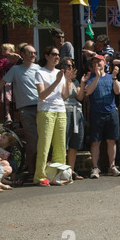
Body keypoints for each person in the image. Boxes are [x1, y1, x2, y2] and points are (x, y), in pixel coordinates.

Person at [0, 44, 39, 181]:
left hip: (42, 108)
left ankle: (41, 170)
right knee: (33, 141)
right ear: (23, 54)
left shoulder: (39, 69)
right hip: (26, 110)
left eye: (34, 53)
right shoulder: (15, 69)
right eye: (30, 53)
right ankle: (32, 171)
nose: (33, 55)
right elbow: (1, 85)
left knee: (43, 141)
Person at [34, 46, 72, 187]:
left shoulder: (59, 73)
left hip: (60, 110)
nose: (57, 57)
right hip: (46, 111)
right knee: (44, 145)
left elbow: (64, 96)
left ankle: (57, 174)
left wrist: (67, 81)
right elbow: (42, 95)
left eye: (58, 55)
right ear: (47, 56)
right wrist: (57, 81)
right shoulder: (40, 72)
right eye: (54, 54)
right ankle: (40, 176)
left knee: (60, 145)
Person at [63, 57, 86, 180]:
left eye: (72, 66)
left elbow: (80, 97)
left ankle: (71, 170)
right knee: (64, 142)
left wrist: (82, 83)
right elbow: (64, 95)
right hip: (65, 112)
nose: (70, 68)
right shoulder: (60, 80)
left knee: (74, 143)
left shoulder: (75, 82)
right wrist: (67, 80)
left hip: (77, 112)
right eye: (68, 66)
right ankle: (62, 170)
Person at [0, 43, 19, 123]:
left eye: (5, 49)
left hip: (14, 82)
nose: (3, 51)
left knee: (15, 99)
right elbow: (2, 66)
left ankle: (17, 116)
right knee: (6, 99)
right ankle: (7, 114)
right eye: (2, 50)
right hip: (6, 82)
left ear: (11, 50)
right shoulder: (2, 59)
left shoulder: (15, 58)